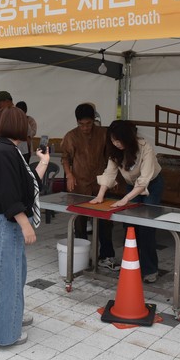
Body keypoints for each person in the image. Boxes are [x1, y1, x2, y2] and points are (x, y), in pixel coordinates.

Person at [0, 107, 49, 346]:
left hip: (8, 225)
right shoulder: (5, 152)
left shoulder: (9, 150)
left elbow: (28, 185)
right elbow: (10, 196)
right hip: (6, 225)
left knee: (15, 277)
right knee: (7, 281)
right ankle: (3, 335)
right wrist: (25, 225)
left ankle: (13, 317)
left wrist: (44, 162)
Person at [91, 120, 163, 283]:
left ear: (128, 138)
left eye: (119, 140)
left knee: (146, 226)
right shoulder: (114, 150)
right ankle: (130, 266)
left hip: (151, 184)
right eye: (113, 140)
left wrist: (125, 199)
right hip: (132, 185)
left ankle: (150, 269)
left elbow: (144, 181)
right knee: (130, 225)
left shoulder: (145, 148)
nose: (116, 143)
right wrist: (100, 195)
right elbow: (109, 173)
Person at [60, 103, 116, 269]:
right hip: (80, 184)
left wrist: (113, 179)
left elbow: (111, 158)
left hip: (101, 185)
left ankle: (106, 256)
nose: (85, 128)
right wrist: (69, 175)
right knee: (80, 223)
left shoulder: (103, 134)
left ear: (94, 120)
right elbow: (65, 158)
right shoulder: (71, 136)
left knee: (105, 222)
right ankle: (82, 257)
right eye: (81, 124)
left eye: (88, 124)